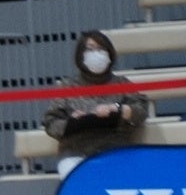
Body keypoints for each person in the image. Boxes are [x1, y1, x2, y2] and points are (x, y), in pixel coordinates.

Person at [41, 30, 150, 170]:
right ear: (81, 56)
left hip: (116, 149)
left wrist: (118, 109)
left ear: (109, 54)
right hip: (76, 152)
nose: (96, 53)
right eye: (90, 49)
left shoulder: (121, 83)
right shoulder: (67, 86)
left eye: (100, 49)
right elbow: (51, 123)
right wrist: (72, 122)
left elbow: (141, 109)